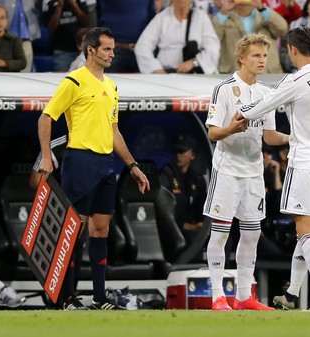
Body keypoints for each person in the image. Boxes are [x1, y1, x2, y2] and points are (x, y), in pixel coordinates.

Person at [237, 26, 310, 311]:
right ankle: (291, 295)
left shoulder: (296, 79)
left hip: (304, 162)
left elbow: (263, 105)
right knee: (306, 231)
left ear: (291, 50)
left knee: (306, 231)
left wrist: (240, 112)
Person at [37, 27, 150, 310]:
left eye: (113, 49)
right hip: (80, 161)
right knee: (74, 231)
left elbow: (114, 131)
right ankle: (67, 298)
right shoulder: (73, 82)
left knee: (101, 231)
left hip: (105, 164)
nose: (113, 54)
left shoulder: (111, 86)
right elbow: (45, 118)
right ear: (91, 50)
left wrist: (132, 165)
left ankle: (99, 298)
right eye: (107, 49)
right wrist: (46, 156)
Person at [203, 33, 288, 311]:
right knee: (221, 233)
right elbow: (214, 132)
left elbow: (270, 135)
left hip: (254, 172)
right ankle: (217, 295)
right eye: (256, 56)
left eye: (264, 56)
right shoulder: (224, 89)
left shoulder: (266, 94)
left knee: (251, 234)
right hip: (227, 169)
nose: (261, 60)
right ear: (242, 58)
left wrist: (295, 137)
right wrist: (232, 128)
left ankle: (243, 297)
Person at [134, 0, 220, 74]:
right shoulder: (162, 17)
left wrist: (194, 62)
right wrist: (155, 68)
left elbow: (213, 48)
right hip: (165, 73)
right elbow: (143, 45)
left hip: (193, 76)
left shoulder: (200, 18)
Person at [212, 0, 288, 74]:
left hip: (268, 72)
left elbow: (282, 29)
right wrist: (224, 11)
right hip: (234, 73)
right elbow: (213, 39)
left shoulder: (264, 15)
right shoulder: (225, 17)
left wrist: (262, 8)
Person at [159, 135, 207, 247]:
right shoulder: (166, 174)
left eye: (182, 152)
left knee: (226, 241)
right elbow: (163, 210)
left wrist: (202, 224)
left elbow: (202, 205)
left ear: (193, 155)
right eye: (176, 151)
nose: (178, 155)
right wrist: (187, 226)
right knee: (192, 239)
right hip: (173, 228)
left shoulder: (197, 178)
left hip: (194, 227)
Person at [97, 0, 157, 73]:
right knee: (110, 83)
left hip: (141, 51)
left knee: (145, 84)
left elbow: (151, 17)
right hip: (114, 49)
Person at [41, 0, 90, 72]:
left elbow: (87, 22)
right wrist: (59, 6)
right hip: (61, 51)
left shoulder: (80, 1)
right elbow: (50, 29)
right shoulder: (50, 3)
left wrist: (74, 4)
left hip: (81, 50)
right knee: (60, 80)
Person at [0, 0, 40, 72]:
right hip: (3, 40)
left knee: (25, 76)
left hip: (26, 39)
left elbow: (40, 9)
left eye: (2, 18)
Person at [0, 4, 26, 72]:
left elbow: (22, 63)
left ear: (7, 20)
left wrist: (2, 63)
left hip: (7, 79)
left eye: (2, 18)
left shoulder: (14, 40)